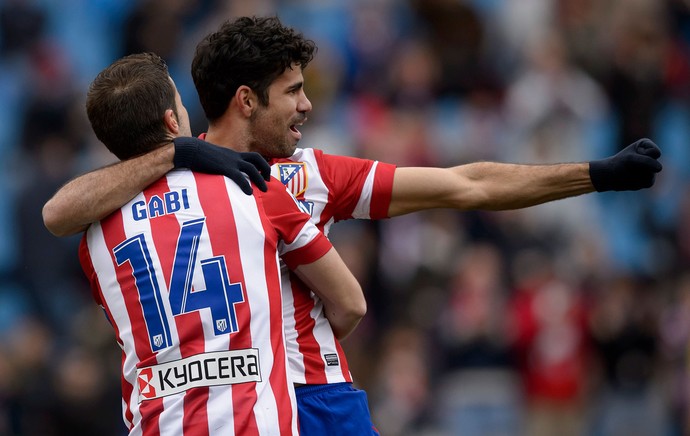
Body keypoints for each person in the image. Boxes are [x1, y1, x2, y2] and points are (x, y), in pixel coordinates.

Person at [43, 16, 663, 435]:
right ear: (245, 100)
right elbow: (350, 305)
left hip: (310, 398)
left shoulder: (307, 173)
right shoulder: (199, 181)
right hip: (249, 400)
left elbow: (463, 184)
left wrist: (592, 174)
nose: (308, 105)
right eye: (293, 90)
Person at [76, 52, 365, 435]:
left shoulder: (94, 238)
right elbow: (350, 304)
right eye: (181, 102)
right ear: (171, 121)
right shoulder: (252, 189)